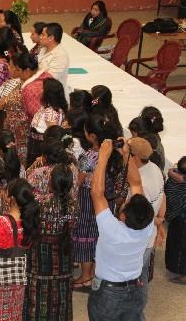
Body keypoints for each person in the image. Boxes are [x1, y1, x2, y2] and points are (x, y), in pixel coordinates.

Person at [87, 139, 155, 321]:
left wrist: (103, 157)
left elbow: (96, 192)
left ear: (123, 216)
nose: (125, 201)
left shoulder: (112, 230)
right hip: (136, 290)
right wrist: (126, 155)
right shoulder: (146, 225)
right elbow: (136, 184)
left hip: (108, 294)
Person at [0, 178, 39, 320]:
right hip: (16, 277)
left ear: (11, 199)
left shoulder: (2, 222)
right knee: (12, 311)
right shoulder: (29, 222)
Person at [73, 115, 122, 289]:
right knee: (99, 232)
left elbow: (78, 182)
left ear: (92, 136)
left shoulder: (89, 156)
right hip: (107, 198)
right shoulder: (115, 152)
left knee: (86, 232)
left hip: (89, 198)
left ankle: (86, 275)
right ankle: (94, 271)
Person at [24, 164, 76, 321]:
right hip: (64, 252)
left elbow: (31, 226)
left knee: (38, 292)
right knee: (62, 291)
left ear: (51, 182)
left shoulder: (39, 203)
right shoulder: (74, 204)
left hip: (40, 255)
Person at [125, 138, 165, 314]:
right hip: (148, 236)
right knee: (140, 275)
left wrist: (157, 221)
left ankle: (133, 312)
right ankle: (138, 309)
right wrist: (160, 221)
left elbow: (139, 218)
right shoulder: (155, 169)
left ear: (134, 158)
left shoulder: (141, 182)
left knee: (131, 278)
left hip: (138, 238)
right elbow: (163, 198)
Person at [0, 50, 45, 165]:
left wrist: (4, 101)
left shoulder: (33, 88)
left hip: (24, 134)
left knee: (20, 162)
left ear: (25, 70)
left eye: (12, 66)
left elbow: (36, 112)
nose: (9, 68)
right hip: (13, 131)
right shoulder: (19, 82)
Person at [27, 78, 68, 166]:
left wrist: (44, 155)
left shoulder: (51, 111)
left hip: (39, 146)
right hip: (36, 143)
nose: (40, 90)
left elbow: (53, 135)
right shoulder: (49, 107)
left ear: (48, 93)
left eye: (42, 88)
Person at [165, 157, 186, 283]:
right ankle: (176, 268)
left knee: (181, 247)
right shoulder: (175, 176)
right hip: (177, 218)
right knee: (176, 244)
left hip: (181, 218)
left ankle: (183, 275)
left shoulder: (175, 177)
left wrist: (172, 173)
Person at [38, 22, 69, 95]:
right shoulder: (43, 49)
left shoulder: (61, 56)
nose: (40, 37)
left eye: (43, 34)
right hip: (41, 88)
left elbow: (49, 79)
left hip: (53, 96)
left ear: (51, 38)